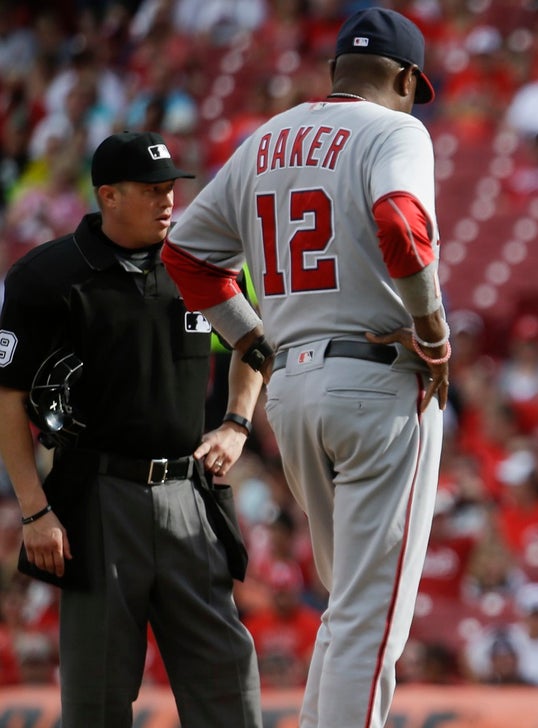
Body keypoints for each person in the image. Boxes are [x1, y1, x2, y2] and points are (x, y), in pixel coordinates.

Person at [160, 7, 449, 728]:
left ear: (333, 73)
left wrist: (254, 341)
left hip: (292, 389)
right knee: (371, 617)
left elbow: (186, 255)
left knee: (347, 607)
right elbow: (401, 224)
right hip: (376, 378)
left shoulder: (267, 137)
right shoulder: (397, 129)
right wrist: (434, 331)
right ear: (408, 78)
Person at [0, 130, 262, 726]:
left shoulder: (202, 263)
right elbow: (8, 396)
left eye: (171, 188)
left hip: (190, 494)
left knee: (229, 688)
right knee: (96, 702)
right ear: (108, 196)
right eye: (151, 190)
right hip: (97, 498)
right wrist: (35, 510)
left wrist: (237, 423)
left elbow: (254, 342)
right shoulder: (48, 276)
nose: (168, 200)